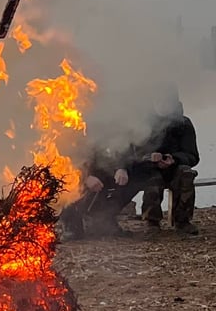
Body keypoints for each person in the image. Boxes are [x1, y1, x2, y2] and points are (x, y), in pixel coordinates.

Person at [60, 91, 199, 239]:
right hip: (76, 175)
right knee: (69, 185)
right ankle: (72, 225)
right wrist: (86, 177)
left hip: (169, 169)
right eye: (160, 100)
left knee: (132, 178)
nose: (163, 105)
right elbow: (62, 162)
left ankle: (104, 219)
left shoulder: (183, 125)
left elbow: (192, 155)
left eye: (167, 101)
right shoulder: (66, 126)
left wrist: (174, 159)